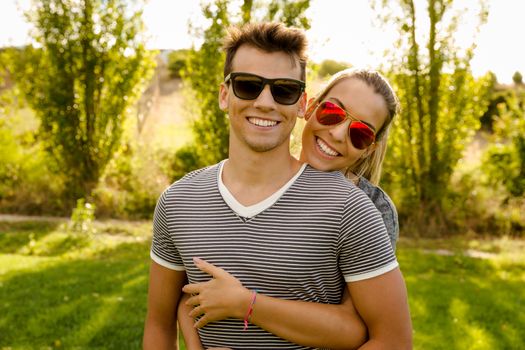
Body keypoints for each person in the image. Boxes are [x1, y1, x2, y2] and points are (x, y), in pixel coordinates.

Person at [143, 22, 411, 350]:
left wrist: (246, 304)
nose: (265, 102)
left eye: (282, 90)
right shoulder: (179, 201)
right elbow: (162, 320)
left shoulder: (358, 209)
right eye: (247, 86)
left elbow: (373, 335)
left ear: (300, 103)